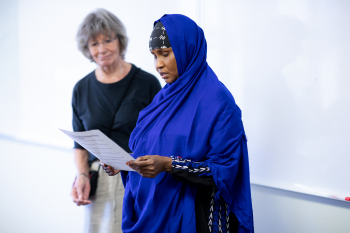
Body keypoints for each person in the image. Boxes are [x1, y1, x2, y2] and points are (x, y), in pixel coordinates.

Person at [102, 14, 254, 233]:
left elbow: (225, 171)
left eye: (165, 54)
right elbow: (151, 147)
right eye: (154, 56)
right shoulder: (164, 98)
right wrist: (127, 163)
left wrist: (168, 164)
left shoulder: (219, 102)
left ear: (187, 50)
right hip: (152, 213)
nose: (159, 64)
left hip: (195, 218)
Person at [71, 9, 161, 233]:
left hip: (136, 175)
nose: (101, 49)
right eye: (94, 44)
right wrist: (82, 174)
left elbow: (159, 136)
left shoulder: (147, 83)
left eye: (107, 40)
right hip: (98, 178)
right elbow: (79, 144)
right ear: (87, 50)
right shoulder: (81, 89)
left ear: (120, 41)